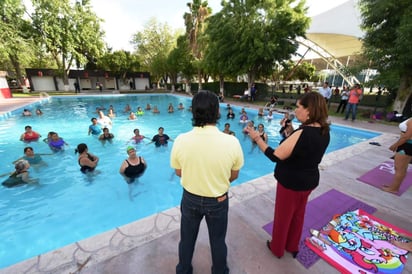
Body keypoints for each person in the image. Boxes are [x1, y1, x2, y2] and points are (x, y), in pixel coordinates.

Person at [245, 92, 330, 259]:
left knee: (283, 217)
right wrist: (292, 132)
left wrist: (257, 138)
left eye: (299, 107)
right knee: (298, 215)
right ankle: (292, 246)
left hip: (291, 182)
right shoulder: (324, 131)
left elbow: (276, 155)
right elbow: (304, 151)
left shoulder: (303, 132)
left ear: (309, 110)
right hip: (309, 180)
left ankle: (277, 248)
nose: (295, 110)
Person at [170, 90, 244, 274]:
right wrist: (215, 180)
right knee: (218, 240)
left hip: (190, 199)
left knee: (186, 240)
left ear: (193, 111)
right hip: (218, 200)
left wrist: (197, 177)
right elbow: (234, 175)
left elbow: (179, 172)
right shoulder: (231, 142)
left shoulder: (181, 140)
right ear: (218, 112)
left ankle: (183, 270)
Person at [382, 117, 412, 194]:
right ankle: (394, 186)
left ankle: (394, 188)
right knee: (402, 168)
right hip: (407, 145)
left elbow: (407, 136)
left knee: (399, 168)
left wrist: (395, 145)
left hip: (407, 145)